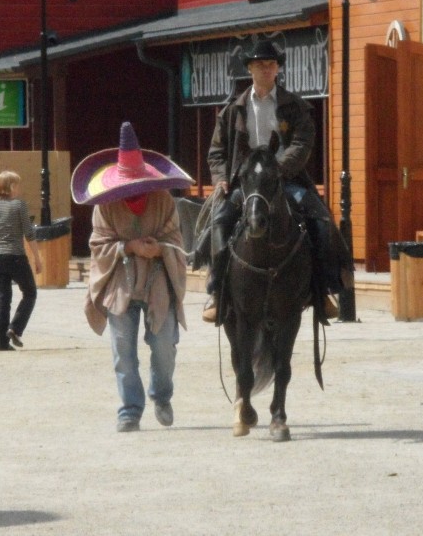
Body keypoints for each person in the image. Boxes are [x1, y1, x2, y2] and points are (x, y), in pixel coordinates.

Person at [201, 38, 353, 323]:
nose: (266, 69)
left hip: (286, 179)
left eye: (271, 64)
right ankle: (217, 292)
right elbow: (217, 151)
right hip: (245, 182)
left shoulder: (295, 106)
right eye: (260, 64)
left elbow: (302, 143)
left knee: (320, 220)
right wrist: (221, 178)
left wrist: (277, 170)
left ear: (277, 69)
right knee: (219, 222)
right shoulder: (233, 110)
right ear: (250, 69)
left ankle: (322, 290)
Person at [71, 122, 193, 433]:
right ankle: (130, 409)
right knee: (123, 353)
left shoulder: (164, 199)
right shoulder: (105, 206)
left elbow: (176, 241)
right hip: (120, 287)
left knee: (165, 347)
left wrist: (159, 250)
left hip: (158, 284)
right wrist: (129, 246)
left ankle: (161, 395)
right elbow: (98, 244)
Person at [0, 170, 42, 351]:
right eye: (17, 184)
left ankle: (1, 342)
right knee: (30, 293)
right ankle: (15, 328)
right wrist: (37, 258)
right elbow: (29, 233)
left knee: (3, 298)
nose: (19, 188)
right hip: (16, 256)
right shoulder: (19, 206)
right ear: (10, 187)